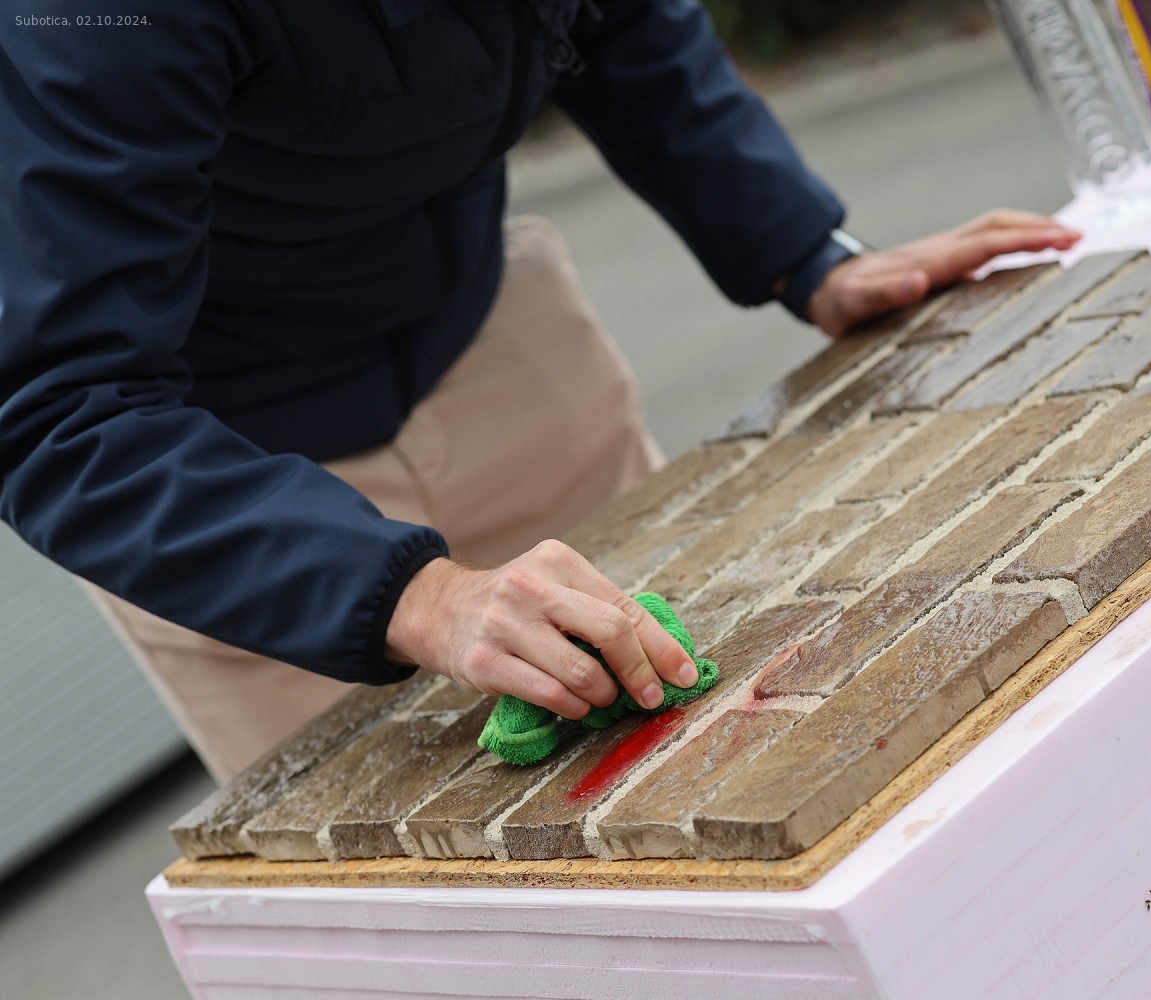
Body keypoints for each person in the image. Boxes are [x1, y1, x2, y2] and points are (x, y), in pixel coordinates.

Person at [0, 0, 1081, 781]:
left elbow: (623, 23)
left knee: (727, 755)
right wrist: (417, 598)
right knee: (423, 924)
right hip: (234, 483)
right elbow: (57, 411)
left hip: (492, 335)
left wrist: (805, 253)